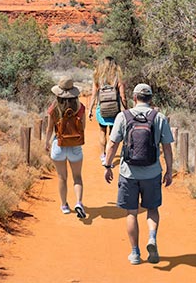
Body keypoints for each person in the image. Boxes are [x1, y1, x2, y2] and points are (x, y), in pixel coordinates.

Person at [103, 83, 173, 265]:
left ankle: (135, 253)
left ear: (134, 98)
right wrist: (169, 171)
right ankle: (152, 237)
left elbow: (112, 144)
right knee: (152, 209)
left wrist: (108, 165)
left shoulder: (123, 116)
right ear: (150, 99)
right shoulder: (159, 117)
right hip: (152, 173)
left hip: (128, 173)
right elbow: (167, 147)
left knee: (131, 213)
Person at [44, 76, 87, 218]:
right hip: (75, 146)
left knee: (62, 177)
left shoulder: (54, 108)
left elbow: (49, 129)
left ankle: (64, 205)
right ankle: (79, 203)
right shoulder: (80, 108)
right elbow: (83, 128)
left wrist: (47, 143)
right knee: (77, 177)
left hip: (58, 145)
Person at [88, 56, 127, 165]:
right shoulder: (118, 77)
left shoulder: (98, 77)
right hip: (115, 110)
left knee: (102, 132)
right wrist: (126, 109)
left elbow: (93, 95)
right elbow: (123, 96)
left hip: (102, 110)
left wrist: (90, 109)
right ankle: (110, 156)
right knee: (112, 134)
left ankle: (103, 156)